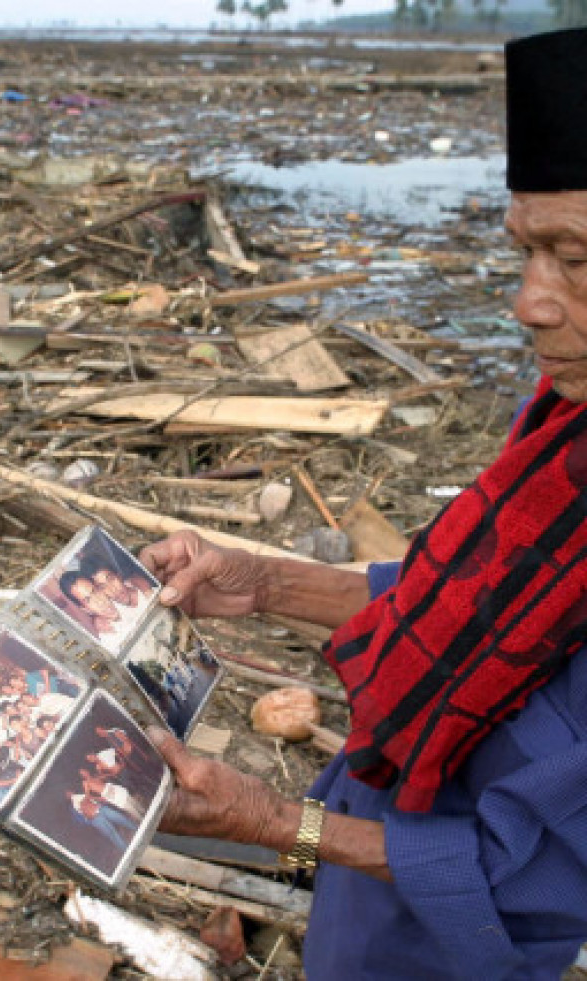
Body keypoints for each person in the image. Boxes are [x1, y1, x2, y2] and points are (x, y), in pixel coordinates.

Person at [139, 28, 587, 980]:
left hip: (470, 935)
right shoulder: (560, 431)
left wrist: (277, 826)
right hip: (386, 818)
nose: (528, 303)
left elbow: (535, 870)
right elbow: (454, 599)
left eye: (574, 259)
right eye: (525, 250)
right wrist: (262, 580)